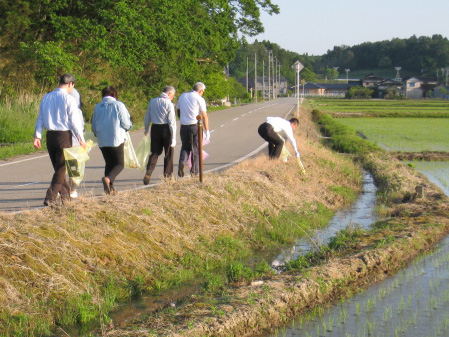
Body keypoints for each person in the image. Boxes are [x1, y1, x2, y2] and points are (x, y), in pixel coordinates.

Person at [33, 74, 86, 206]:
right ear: (70, 84)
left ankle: (66, 198)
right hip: (64, 136)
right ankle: (50, 197)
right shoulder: (69, 99)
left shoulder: (47, 97)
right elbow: (75, 121)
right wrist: (81, 138)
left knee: (58, 169)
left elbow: (40, 118)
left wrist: (37, 136)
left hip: (50, 136)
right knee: (62, 169)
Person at [91, 86, 132, 195]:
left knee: (109, 163)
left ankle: (110, 189)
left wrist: (97, 133)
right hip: (116, 138)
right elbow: (126, 123)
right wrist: (128, 127)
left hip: (102, 139)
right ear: (114, 94)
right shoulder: (119, 105)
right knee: (119, 164)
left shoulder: (97, 107)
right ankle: (108, 179)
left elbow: (94, 125)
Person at [143, 86, 177, 185]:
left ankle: (149, 171)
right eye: (173, 95)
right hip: (166, 128)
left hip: (155, 128)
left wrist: (146, 129)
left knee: (155, 152)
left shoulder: (152, 101)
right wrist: (174, 138)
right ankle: (168, 175)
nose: (173, 98)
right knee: (168, 153)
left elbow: (147, 116)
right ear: (170, 93)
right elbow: (172, 122)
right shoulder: (169, 104)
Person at [177, 82, 210, 177]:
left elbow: (178, 111)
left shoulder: (182, 96)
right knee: (196, 148)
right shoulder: (200, 99)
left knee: (185, 147)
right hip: (194, 126)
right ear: (200, 91)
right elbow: (204, 116)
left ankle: (182, 161)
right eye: (203, 91)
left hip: (184, 126)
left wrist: (182, 119)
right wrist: (207, 130)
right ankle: (194, 171)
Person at [68, 87, 84, 198]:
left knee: (62, 168)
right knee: (73, 168)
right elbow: (80, 127)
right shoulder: (77, 111)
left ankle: (62, 189)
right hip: (74, 142)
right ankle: (72, 191)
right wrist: (82, 140)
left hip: (61, 140)